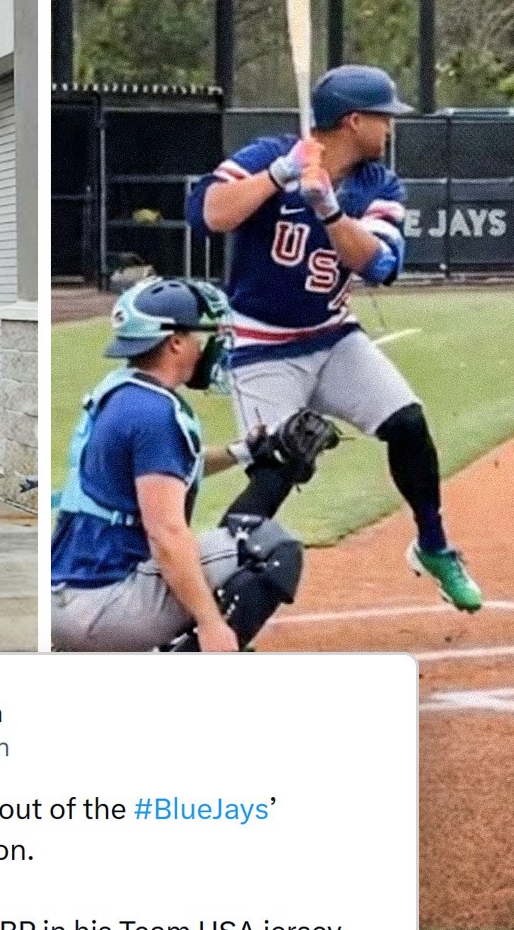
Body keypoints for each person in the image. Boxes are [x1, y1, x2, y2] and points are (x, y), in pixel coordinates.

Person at [185, 64, 482, 612]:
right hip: (263, 343)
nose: (389, 129)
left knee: (408, 424)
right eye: (383, 118)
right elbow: (207, 214)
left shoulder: (378, 186)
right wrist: (279, 174)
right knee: (280, 465)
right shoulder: (268, 154)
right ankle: (198, 596)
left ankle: (435, 546)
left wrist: (326, 206)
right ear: (352, 121)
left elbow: (378, 263)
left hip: (332, 334)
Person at [50, 277, 329, 653]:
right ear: (175, 342)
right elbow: (166, 534)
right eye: (202, 334)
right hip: (104, 605)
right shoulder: (155, 415)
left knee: (228, 543)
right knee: (271, 549)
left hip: (70, 593)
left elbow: (174, 468)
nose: (210, 345)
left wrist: (246, 451)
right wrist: (211, 623)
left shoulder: (122, 393)